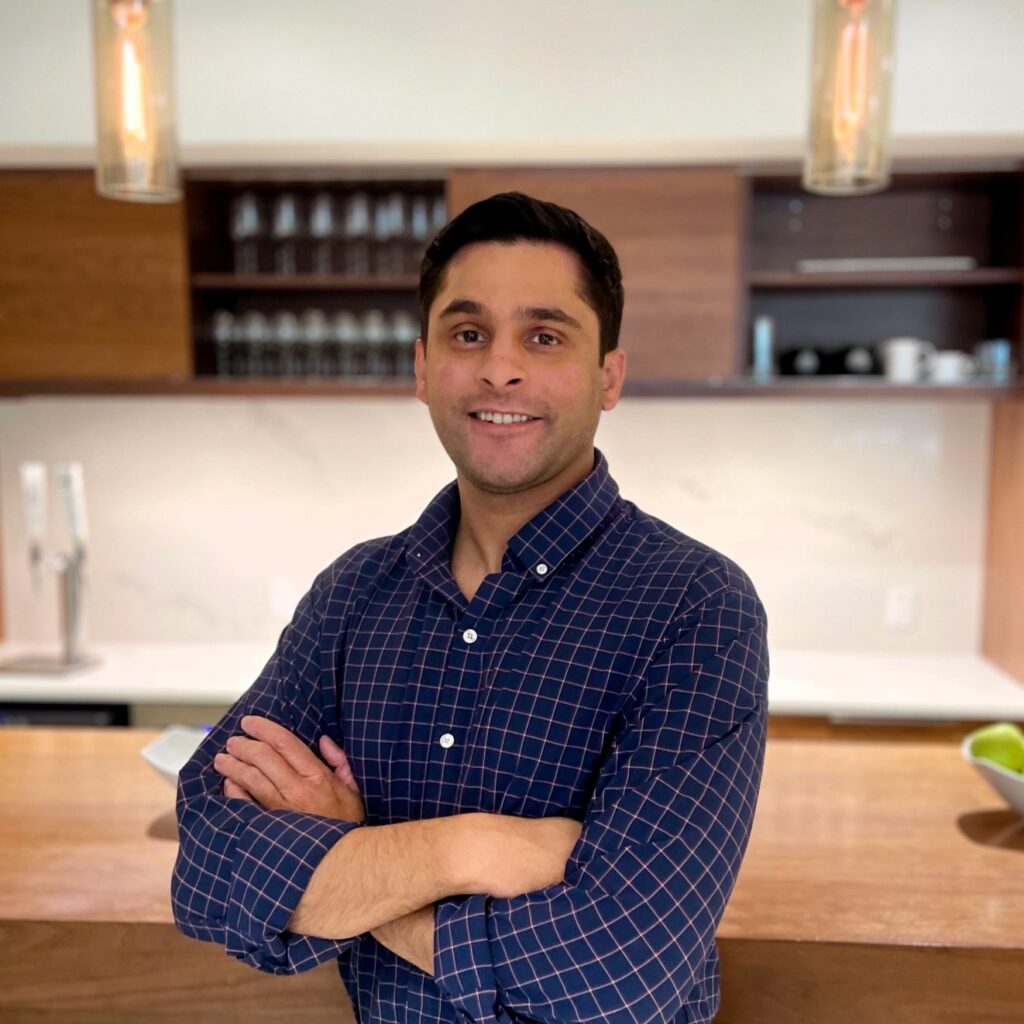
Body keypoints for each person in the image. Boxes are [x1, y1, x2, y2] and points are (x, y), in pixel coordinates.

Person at [172, 191, 769, 1024]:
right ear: (423, 368)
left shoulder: (694, 605)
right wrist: (471, 848)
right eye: (468, 333)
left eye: (545, 335)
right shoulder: (353, 594)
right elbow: (206, 874)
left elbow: (625, 974)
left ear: (610, 376)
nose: (500, 368)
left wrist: (354, 868)